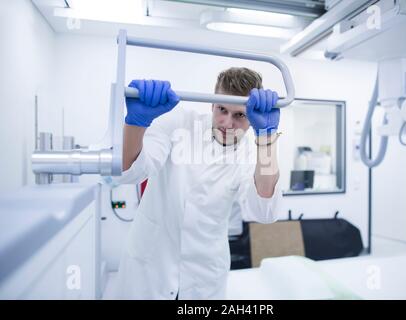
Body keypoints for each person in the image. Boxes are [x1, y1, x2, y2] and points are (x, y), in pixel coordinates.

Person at [114, 67, 282, 299]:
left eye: (240, 115)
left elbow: (264, 211)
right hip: (150, 264)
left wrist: (268, 139)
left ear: (252, 118)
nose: (227, 123)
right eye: (222, 109)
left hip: (205, 273)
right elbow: (130, 172)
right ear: (212, 104)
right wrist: (136, 124)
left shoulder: (253, 154)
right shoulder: (179, 123)